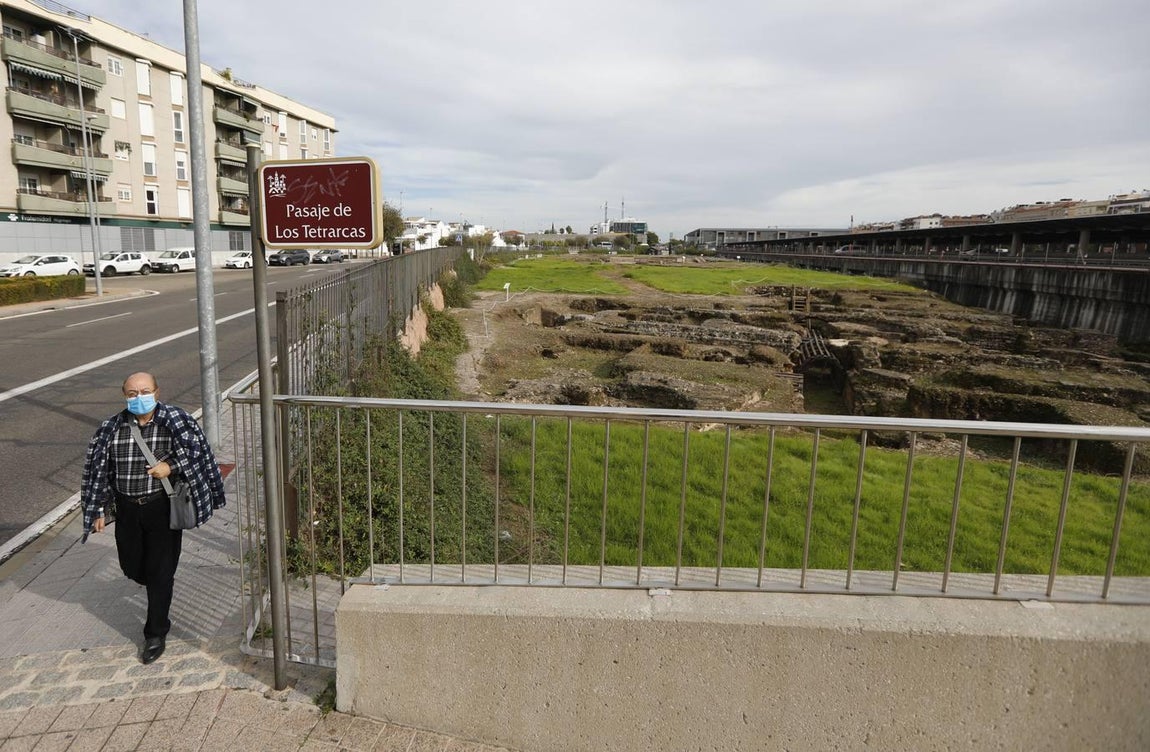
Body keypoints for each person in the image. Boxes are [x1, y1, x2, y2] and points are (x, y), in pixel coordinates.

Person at [81, 372, 226, 664]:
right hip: (127, 509)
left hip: (162, 507)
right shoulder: (111, 427)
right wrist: (96, 509)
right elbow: (98, 470)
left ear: (157, 392)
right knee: (133, 567)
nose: (138, 397)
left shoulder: (177, 420)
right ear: (125, 395)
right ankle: (155, 584)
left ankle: (155, 632)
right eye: (132, 393)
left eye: (144, 391)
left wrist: (170, 466)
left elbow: (199, 454)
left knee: (160, 572)